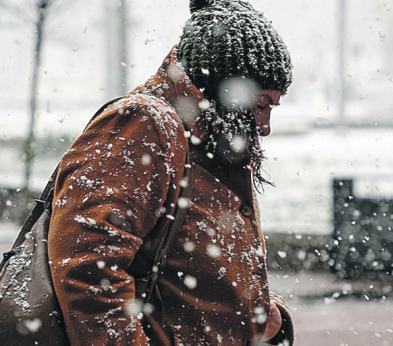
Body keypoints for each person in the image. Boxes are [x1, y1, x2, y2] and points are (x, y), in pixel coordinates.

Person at [47, 0, 294, 345]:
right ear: (225, 84)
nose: (264, 125)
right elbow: (88, 266)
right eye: (262, 103)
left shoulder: (207, 142)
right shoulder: (146, 124)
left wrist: (267, 319)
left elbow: (197, 273)